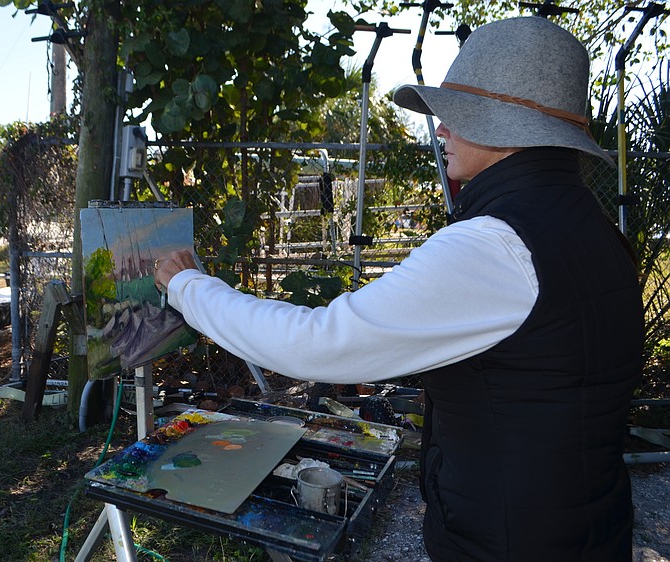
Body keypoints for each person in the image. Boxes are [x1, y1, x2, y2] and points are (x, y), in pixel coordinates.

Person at [153, 16, 643, 562]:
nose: (441, 130)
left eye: (458, 115)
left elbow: (319, 343)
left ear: (507, 127)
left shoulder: (495, 246)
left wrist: (189, 288)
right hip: (586, 526)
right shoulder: (591, 225)